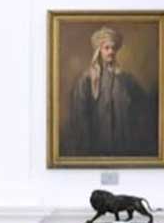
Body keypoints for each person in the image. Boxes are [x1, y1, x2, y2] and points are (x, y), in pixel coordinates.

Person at [62, 26, 157, 157]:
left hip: (123, 143)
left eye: (113, 48)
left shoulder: (126, 79)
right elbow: (80, 114)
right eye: (107, 48)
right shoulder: (86, 79)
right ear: (99, 51)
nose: (111, 51)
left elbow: (142, 107)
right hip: (96, 143)